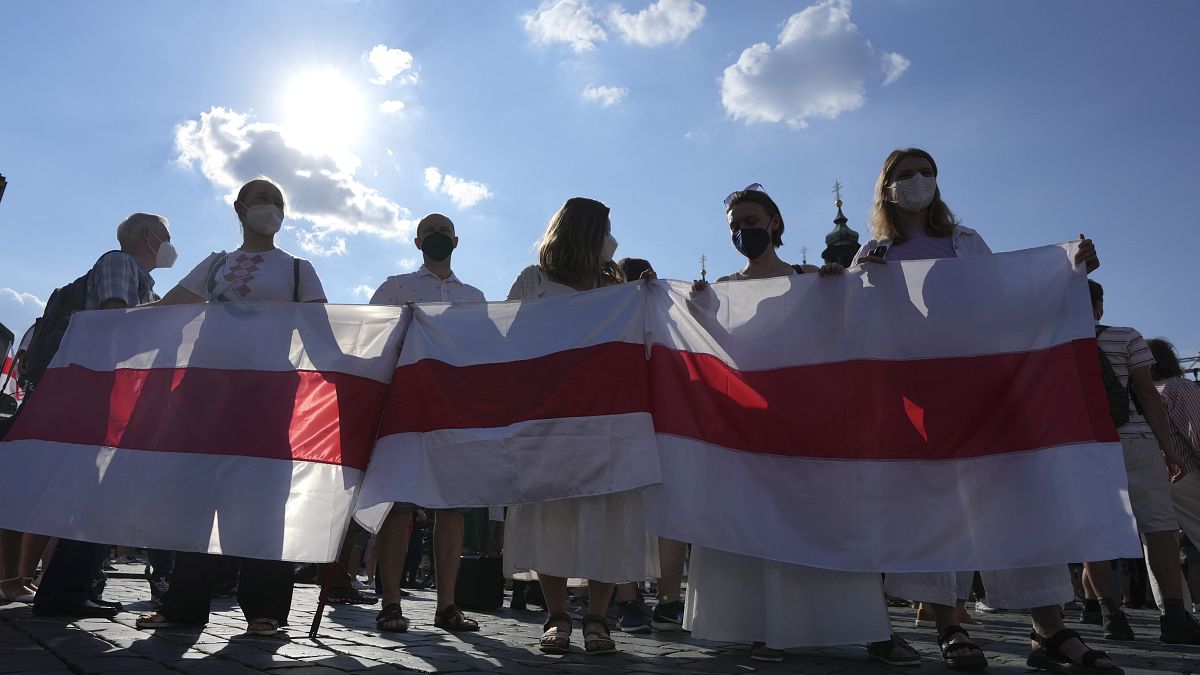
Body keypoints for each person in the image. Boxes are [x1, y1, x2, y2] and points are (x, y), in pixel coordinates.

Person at [857, 148, 1122, 673]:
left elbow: (1007, 299)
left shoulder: (966, 242)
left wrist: (1067, 270)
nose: (918, 181)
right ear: (886, 187)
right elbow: (859, 325)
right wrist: (861, 281)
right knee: (937, 508)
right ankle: (949, 626)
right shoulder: (876, 251)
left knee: (1020, 501)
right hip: (926, 400)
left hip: (988, 393)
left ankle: (1049, 631)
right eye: (904, 174)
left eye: (926, 171)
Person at [685, 185, 893, 663]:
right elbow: (708, 349)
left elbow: (851, 331)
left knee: (829, 523)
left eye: (752, 222)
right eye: (735, 226)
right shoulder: (725, 289)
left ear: (775, 223)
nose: (743, 232)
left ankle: (865, 626)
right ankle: (765, 625)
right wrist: (696, 307)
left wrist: (845, 286)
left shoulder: (813, 279)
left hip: (810, 427)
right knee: (758, 528)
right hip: (748, 433)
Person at [135, 177, 325, 637]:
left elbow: (321, 336)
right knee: (195, 494)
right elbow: (170, 308)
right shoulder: (216, 263)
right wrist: (108, 326)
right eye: (262, 199)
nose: (270, 208)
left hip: (267, 395)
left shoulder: (298, 269)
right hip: (207, 391)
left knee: (262, 499)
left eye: (277, 202)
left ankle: (266, 609)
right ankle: (183, 603)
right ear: (239, 208)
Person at [504, 197, 638, 656]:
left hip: (605, 422)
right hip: (549, 420)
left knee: (606, 515)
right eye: (606, 228)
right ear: (587, 231)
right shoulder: (534, 280)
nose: (612, 239)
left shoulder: (618, 286)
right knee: (550, 513)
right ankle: (557, 614)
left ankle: (598, 617)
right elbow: (504, 339)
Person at [29, 212, 176, 618]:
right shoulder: (119, 263)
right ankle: (65, 591)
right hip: (101, 397)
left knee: (101, 495)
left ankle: (76, 588)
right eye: (166, 237)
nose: (170, 246)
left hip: (114, 400)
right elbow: (117, 326)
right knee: (95, 495)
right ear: (148, 237)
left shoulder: (141, 279)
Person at [368, 212, 485, 634]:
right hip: (404, 406)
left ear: (456, 240)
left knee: (450, 509)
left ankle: (447, 606)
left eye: (443, 231)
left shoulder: (474, 297)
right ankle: (391, 602)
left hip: (452, 411)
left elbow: (482, 354)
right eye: (429, 232)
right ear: (417, 243)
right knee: (399, 509)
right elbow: (372, 339)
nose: (437, 236)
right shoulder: (396, 287)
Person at [1079, 285, 1200, 645]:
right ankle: (1175, 616)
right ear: (1099, 306)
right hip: (1135, 440)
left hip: (1086, 444)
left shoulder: (1055, 342)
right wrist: (1168, 448)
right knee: (1158, 528)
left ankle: (1109, 616)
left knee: (1096, 532)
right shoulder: (1126, 336)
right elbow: (1148, 396)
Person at [611, 257, 689, 635]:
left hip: (633, 421)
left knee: (633, 511)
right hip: (652, 419)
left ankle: (632, 602)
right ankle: (664, 601)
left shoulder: (615, 315)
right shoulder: (664, 317)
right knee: (662, 512)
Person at [1148, 338, 1200, 543]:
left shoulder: (1144, 395)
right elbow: (1196, 430)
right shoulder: (1178, 387)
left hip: (1159, 479)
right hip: (1188, 474)